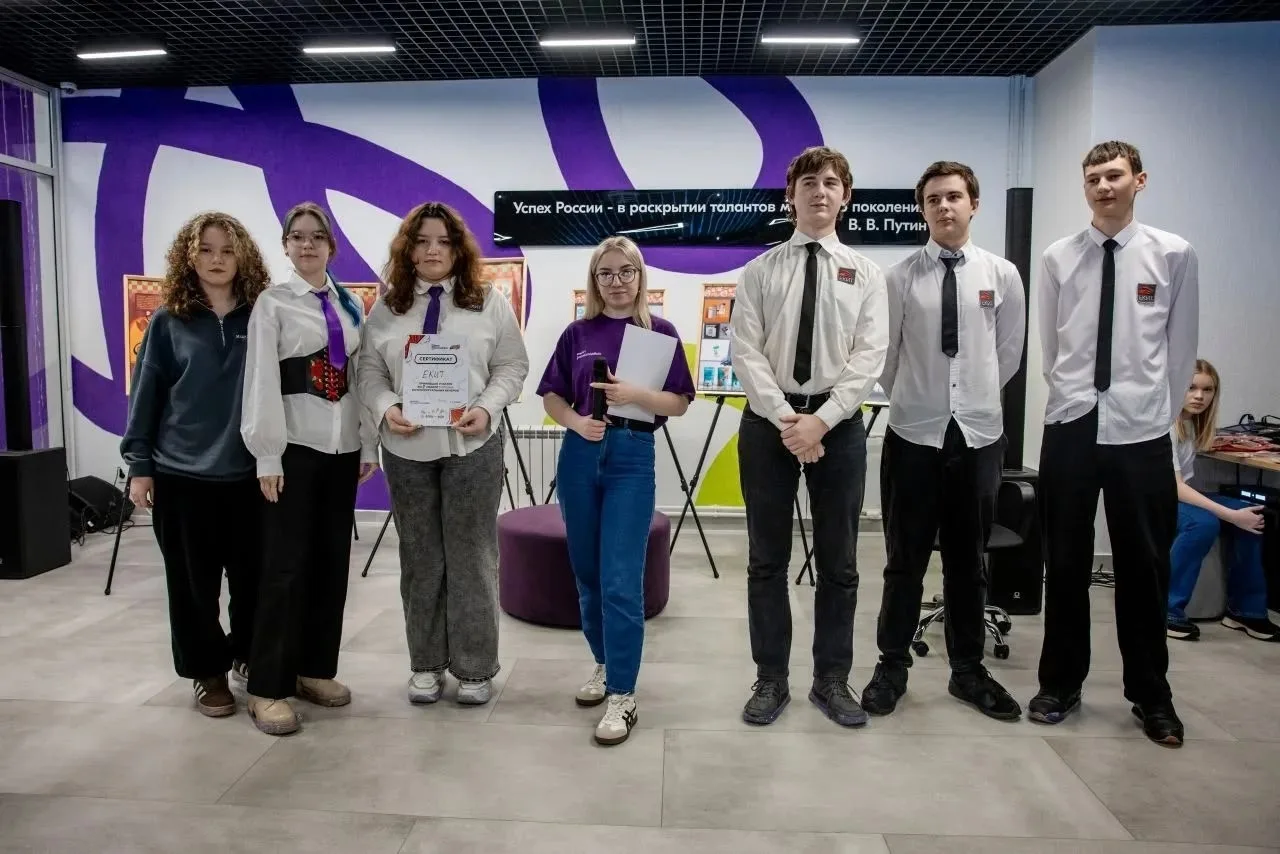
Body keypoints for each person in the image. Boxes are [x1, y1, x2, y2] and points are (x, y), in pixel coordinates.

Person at [1034, 140, 1199, 747]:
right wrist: (1076, 398)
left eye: (1114, 175)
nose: (1103, 187)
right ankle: (1060, 684)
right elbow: (1053, 347)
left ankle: (1151, 696)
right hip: (1072, 422)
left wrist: (1153, 411)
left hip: (1141, 429)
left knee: (1144, 567)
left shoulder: (1173, 254)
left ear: (1139, 180)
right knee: (1065, 563)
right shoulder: (1058, 256)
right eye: (1093, 178)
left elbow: (1181, 350)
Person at [730, 145, 889, 728]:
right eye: (808, 183)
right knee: (766, 561)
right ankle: (771, 678)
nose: (819, 191)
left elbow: (869, 356)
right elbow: (745, 352)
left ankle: (831, 680)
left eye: (830, 183)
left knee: (840, 562)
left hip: (838, 427)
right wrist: (788, 420)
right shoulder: (760, 270)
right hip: (768, 424)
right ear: (790, 196)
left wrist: (822, 420)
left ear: (845, 197)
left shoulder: (867, 274)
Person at [864, 161, 1026, 720]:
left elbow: (1008, 353)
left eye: (954, 196)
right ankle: (891, 665)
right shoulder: (899, 278)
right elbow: (886, 359)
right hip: (913, 435)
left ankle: (968, 671)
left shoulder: (1002, 274)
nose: (944, 206)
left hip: (978, 436)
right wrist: (922, 400)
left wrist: (968, 401)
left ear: (973, 204)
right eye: (933, 199)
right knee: (903, 560)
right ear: (922, 209)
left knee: (967, 560)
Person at [358, 202, 529, 707]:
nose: (433, 250)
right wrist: (387, 408)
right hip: (407, 449)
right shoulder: (387, 308)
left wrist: (487, 406)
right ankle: (426, 664)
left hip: (472, 446)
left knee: (473, 557)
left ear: (458, 249)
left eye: (443, 241)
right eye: (422, 241)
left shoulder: (489, 302)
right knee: (420, 559)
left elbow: (512, 366)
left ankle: (474, 667)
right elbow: (368, 372)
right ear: (408, 250)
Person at [537, 235, 695, 746]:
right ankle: (605, 665)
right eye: (605, 273)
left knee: (621, 580)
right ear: (594, 280)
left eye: (626, 272)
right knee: (587, 574)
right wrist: (576, 422)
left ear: (640, 276)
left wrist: (637, 394)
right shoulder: (577, 332)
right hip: (581, 454)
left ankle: (624, 695)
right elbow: (552, 396)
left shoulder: (660, 332)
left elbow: (679, 402)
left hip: (632, 455)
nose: (617, 282)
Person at [120, 212, 270, 718]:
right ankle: (207, 672)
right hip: (181, 476)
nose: (217, 259)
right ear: (189, 256)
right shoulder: (168, 321)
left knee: (253, 581)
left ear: (243, 256)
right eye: (206, 249)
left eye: (227, 250)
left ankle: (247, 655)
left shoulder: (262, 317)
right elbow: (145, 397)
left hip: (251, 476)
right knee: (192, 587)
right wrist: (140, 465)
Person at [240, 201, 380, 735]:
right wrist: (267, 454)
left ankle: (314, 668)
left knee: (329, 563)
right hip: (293, 450)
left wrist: (367, 446)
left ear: (331, 245)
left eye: (316, 236)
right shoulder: (272, 304)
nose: (307, 244)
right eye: (297, 236)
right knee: (284, 568)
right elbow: (261, 380)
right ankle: (267, 686)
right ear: (285, 245)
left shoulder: (350, 304)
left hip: (341, 450)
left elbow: (361, 379)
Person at [1167, 359, 1278, 642]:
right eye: (1191, 387)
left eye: (1208, 390)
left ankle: (1245, 610)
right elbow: (1175, 488)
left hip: (1177, 494)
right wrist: (1229, 516)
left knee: (1251, 512)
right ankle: (1166, 609)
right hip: (1158, 499)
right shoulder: (1167, 424)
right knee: (1203, 523)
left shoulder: (1191, 424)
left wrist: (1237, 515)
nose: (1199, 396)